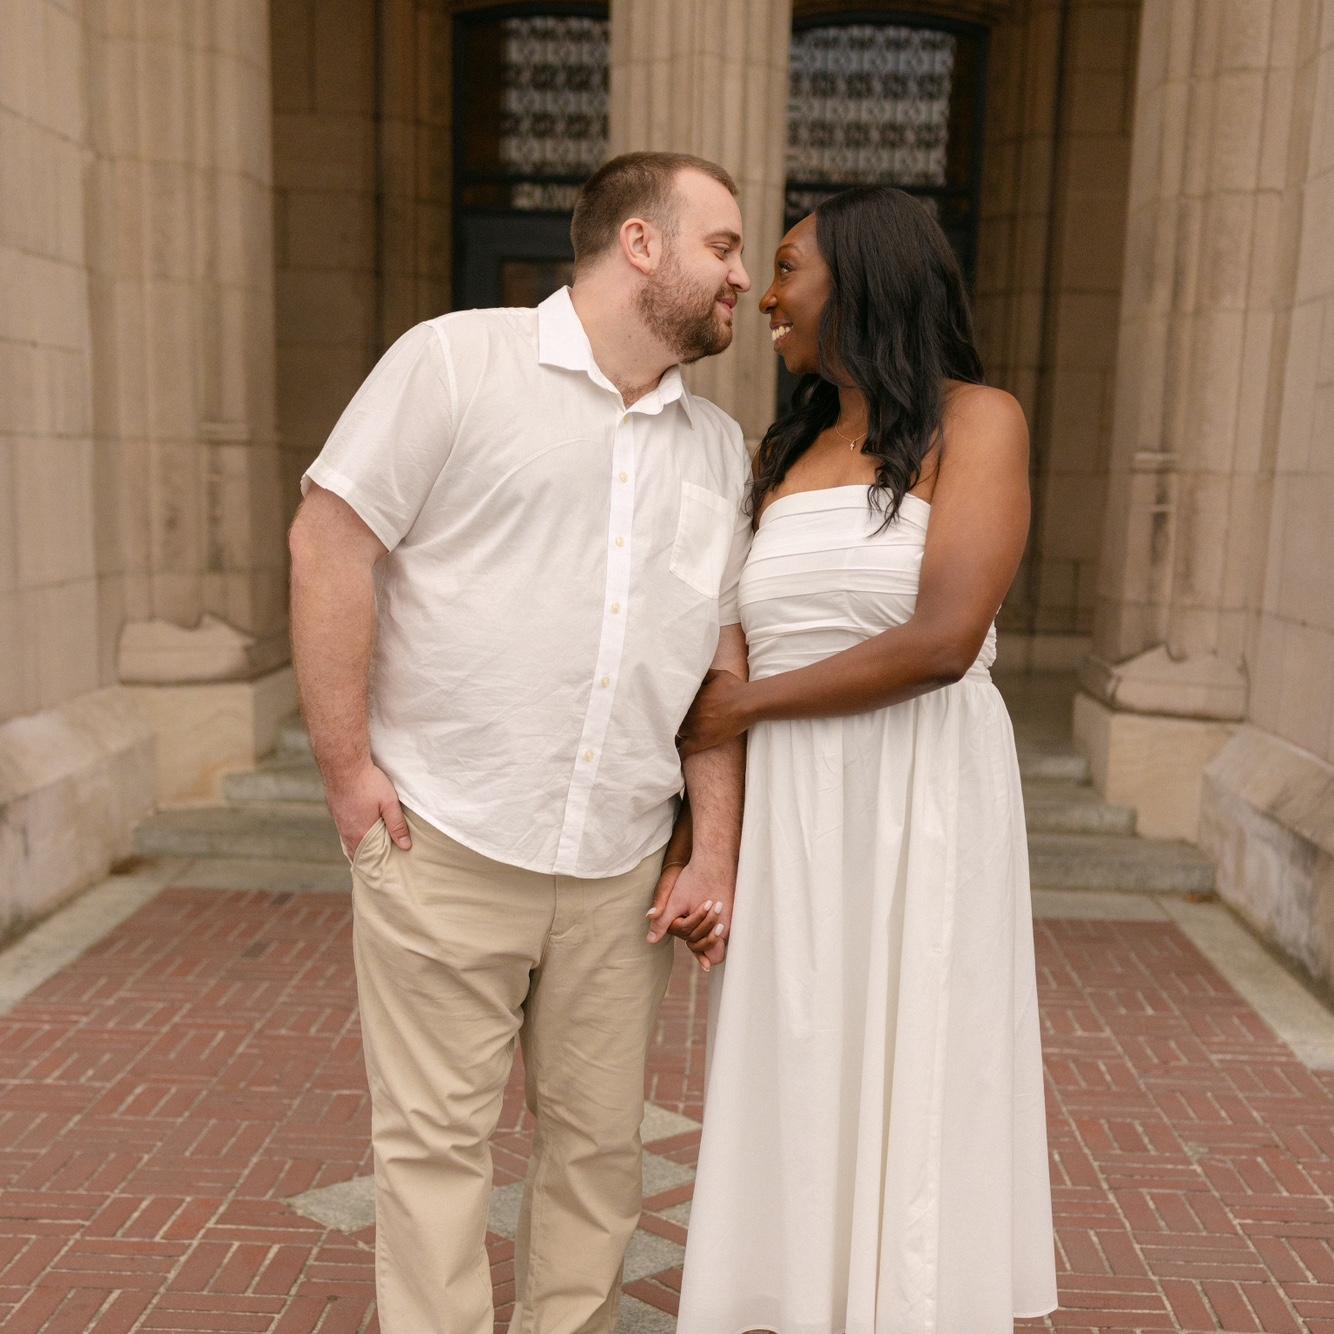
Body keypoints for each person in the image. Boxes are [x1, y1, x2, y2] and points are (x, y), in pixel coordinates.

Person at [288, 151, 752, 1334]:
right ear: (640, 243)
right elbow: (328, 542)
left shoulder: (716, 446)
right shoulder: (452, 361)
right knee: (435, 1148)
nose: (741, 277)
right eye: (722, 246)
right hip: (444, 831)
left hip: (620, 865)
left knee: (598, 1151)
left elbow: (716, 664)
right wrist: (346, 772)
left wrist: (712, 849)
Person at [668, 186, 1059, 1332]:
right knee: (800, 1059)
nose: (766, 296)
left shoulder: (977, 421)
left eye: (788, 268)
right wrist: (703, 842)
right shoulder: (780, 450)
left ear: (867, 276)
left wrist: (742, 709)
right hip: (794, 813)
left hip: (919, 791)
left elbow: (941, 641)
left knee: (917, 1052)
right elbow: (729, 644)